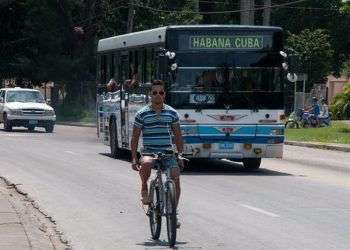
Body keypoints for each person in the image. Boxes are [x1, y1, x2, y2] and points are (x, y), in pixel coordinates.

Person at [130, 80, 184, 223]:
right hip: (149, 152)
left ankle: (173, 212)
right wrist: (134, 158)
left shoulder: (172, 113)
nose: (158, 95)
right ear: (150, 95)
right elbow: (135, 137)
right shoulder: (142, 114)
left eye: (161, 92)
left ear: (164, 95)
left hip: (167, 153)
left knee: (175, 176)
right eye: (155, 93)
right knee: (146, 163)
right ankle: (144, 188)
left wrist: (180, 155)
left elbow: (178, 135)